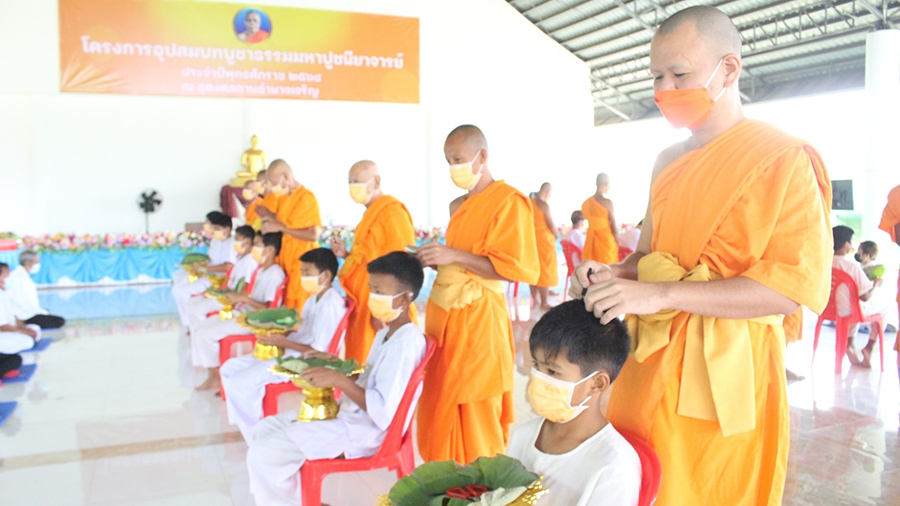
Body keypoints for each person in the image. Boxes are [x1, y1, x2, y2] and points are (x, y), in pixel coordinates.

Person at [568, 7, 832, 504]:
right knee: (639, 482)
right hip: (646, 360)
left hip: (724, 373)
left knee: (707, 489)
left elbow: (786, 292)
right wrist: (611, 273)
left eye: (680, 74)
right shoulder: (667, 161)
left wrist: (661, 292)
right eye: (657, 76)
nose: (665, 88)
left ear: (727, 69)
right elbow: (647, 255)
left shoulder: (782, 159)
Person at [246, 251, 427, 505]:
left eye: (380, 292)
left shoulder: (406, 343)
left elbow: (384, 412)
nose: (373, 298)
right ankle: (299, 498)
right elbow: (373, 379)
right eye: (371, 289)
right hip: (350, 415)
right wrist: (340, 368)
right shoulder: (387, 335)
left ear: (405, 297)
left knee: (262, 453)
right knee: (264, 429)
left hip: (367, 431)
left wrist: (339, 380)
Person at [415, 124, 539, 464]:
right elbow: (460, 262)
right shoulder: (460, 205)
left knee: (475, 405)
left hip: (481, 320)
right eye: (448, 160)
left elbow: (514, 268)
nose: (452, 167)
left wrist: (452, 256)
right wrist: (434, 259)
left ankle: (480, 492)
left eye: (458, 159)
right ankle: (445, 487)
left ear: (481, 156)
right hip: (447, 320)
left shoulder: (509, 202)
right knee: (442, 402)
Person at [507, 300, 640, 506]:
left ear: (596, 383)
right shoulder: (524, 435)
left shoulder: (613, 467)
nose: (538, 379)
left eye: (552, 371)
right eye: (536, 365)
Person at [220, 247, 345, 440]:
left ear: (326, 275)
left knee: (240, 382)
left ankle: (254, 433)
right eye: (302, 272)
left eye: (307, 273)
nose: (303, 277)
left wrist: (282, 341)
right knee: (229, 368)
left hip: (306, 361)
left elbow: (319, 350)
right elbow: (303, 332)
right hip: (292, 351)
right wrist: (276, 333)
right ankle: (245, 421)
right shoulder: (314, 298)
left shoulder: (331, 304)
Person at [330, 160, 417, 363]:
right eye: (350, 182)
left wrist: (385, 308)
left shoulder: (391, 212)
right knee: (360, 357)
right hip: (363, 300)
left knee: (378, 361)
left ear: (376, 181)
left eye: (357, 182)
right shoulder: (370, 214)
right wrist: (347, 254)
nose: (353, 187)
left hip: (381, 302)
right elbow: (371, 257)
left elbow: (400, 264)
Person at [191, 232, 286, 392]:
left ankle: (215, 377)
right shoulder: (263, 270)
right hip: (243, 312)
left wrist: (244, 299)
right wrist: (239, 299)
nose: (253, 248)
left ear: (269, 250)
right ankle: (212, 372)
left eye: (257, 244)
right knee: (198, 328)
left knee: (204, 334)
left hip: (254, 321)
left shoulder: (275, 273)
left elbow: (269, 309)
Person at [258, 159, 321, 312]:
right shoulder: (284, 197)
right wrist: (269, 215)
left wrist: (277, 227)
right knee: (286, 309)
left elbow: (313, 235)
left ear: (286, 176)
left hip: (303, 263)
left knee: (300, 312)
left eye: (274, 182)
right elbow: (285, 223)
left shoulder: (305, 197)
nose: (272, 188)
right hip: (286, 261)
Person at [832, 226, 892, 368]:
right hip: (850, 311)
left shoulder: (826, 262)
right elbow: (865, 297)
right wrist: (876, 284)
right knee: (884, 308)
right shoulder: (852, 266)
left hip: (830, 310)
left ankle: (849, 344)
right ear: (847, 245)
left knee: (850, 303)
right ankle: (869, 347)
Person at [183, 225, 260, 329]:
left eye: (237, 240)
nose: (234, 243)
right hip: (227, 292)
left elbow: (245, 285)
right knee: (190, 304)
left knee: (195, 310)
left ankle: (201, 327)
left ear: (246, 242)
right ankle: (195, 329)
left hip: (231, 299)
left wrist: (232, 300)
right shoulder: (240, 257)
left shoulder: (250, 260)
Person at [173, 212, 237, 327]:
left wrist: (205, 268)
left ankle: (196, 324)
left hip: (219, 280)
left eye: (217, 228)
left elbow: (229, 266)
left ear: (227, 230)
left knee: (181, 292)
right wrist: (199, 266)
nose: (214, 231)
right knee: (178, 284)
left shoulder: (231, 243)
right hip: (207, 274)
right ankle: (188, 322)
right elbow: (211, 259)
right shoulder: (215, 241)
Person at [5, 251, 65, 329]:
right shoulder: (19, 278)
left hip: (27, 311)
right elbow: (25, 303)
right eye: (36, 262)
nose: (38, 265)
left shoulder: (22, 276)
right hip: (24, 316)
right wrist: (39, 311)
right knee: (59, 321)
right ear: (27, 263)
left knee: (46, 311)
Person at [530, 183, 558, 311]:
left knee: (534, 268)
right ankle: (544, 302)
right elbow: (551, 225)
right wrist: (556, 235)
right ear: (547, 191)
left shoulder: (529, 203)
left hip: (531, 239)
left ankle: (535, 299)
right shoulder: (543, 205)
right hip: (543, 241)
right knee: (545, 270)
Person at [0, 263, 39, 354]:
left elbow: (13, 316)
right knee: (27, 341)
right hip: (4, 332)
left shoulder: (4, 292)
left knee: (34, 328)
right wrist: (22, 332)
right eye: (7, 274)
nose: (9, 276)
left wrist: (24, 328)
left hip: (10, 329)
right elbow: (3, 326)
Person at [581, 173, 619, 264]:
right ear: (606, 184)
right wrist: (617, 242)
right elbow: (613, 225)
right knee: (607, 269)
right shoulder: (607, 203)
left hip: (590, 241)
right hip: (605, 241)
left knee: (591, 269)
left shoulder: (586, 203)